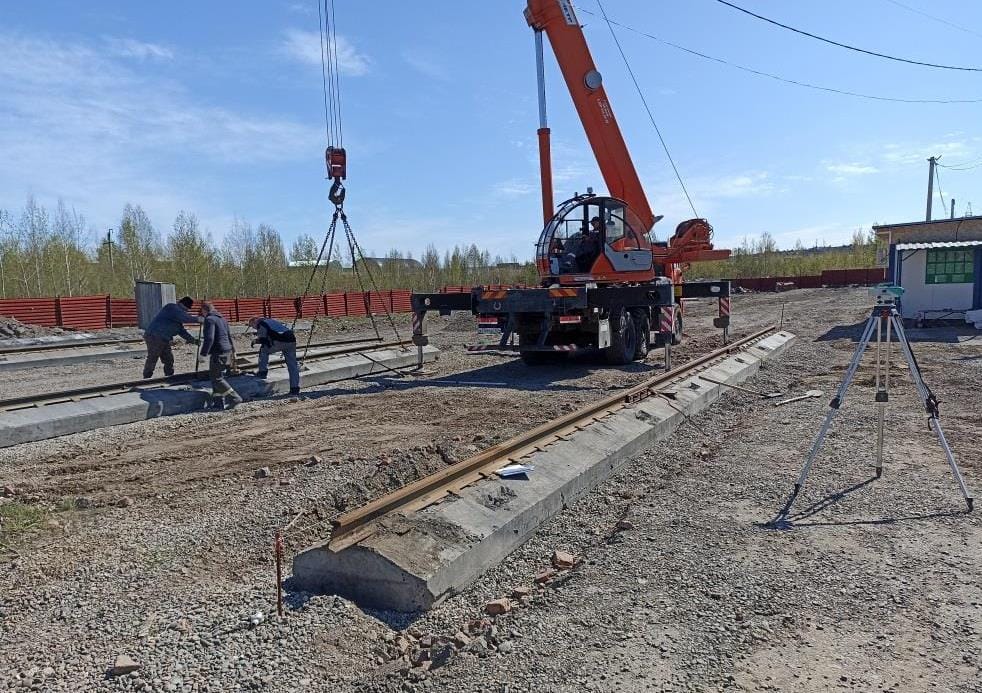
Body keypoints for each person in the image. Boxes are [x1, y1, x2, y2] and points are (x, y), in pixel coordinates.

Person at [143, 296, 201, 378]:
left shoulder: (177, 318)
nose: (185, 311)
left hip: (164, 339)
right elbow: (186, 318)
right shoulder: (172, 308)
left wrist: (193, 340)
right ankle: (147, 377)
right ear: (181, 304)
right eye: (185, 309)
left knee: (169, 359)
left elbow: (182, 331)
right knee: (153, 357)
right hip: (154, 336)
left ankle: (169, 377)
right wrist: (199, 319)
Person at [200, 302, 243, 409]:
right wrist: (234, 351)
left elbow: (209, 338)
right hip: (227, 351)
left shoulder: (209, 320)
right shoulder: (222, 319)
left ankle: (234, 398)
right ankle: (218, 402)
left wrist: (203, 354)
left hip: (218, 352)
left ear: (204, 311)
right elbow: (229, 336)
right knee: (216, 376)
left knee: (217, 379)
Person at [248, 317, 301, 397]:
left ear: (255, 322)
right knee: (292, 365)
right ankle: (294, 389)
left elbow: (264, 340)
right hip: (291, 339)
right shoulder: (271, 321)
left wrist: (255, 341)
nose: (254, 328)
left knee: (263, 350)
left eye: (252, 326)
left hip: (280, 341)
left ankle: (262, 372)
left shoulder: (261, 324)